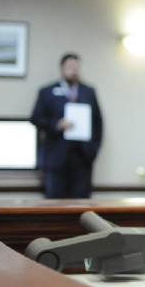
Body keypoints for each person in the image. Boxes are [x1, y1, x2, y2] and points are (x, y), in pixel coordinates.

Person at [30, 53, 103, 198]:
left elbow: (98, 123)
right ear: (62, 68)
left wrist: (93, 150)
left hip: (81, 157)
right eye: (70, 67)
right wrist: (56, 124)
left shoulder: (88, 92)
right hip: (56, 157)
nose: (73, 70)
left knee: (81, 204)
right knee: (55, 204)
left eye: (76, 67)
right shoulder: (47, 91)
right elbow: (36, 118)